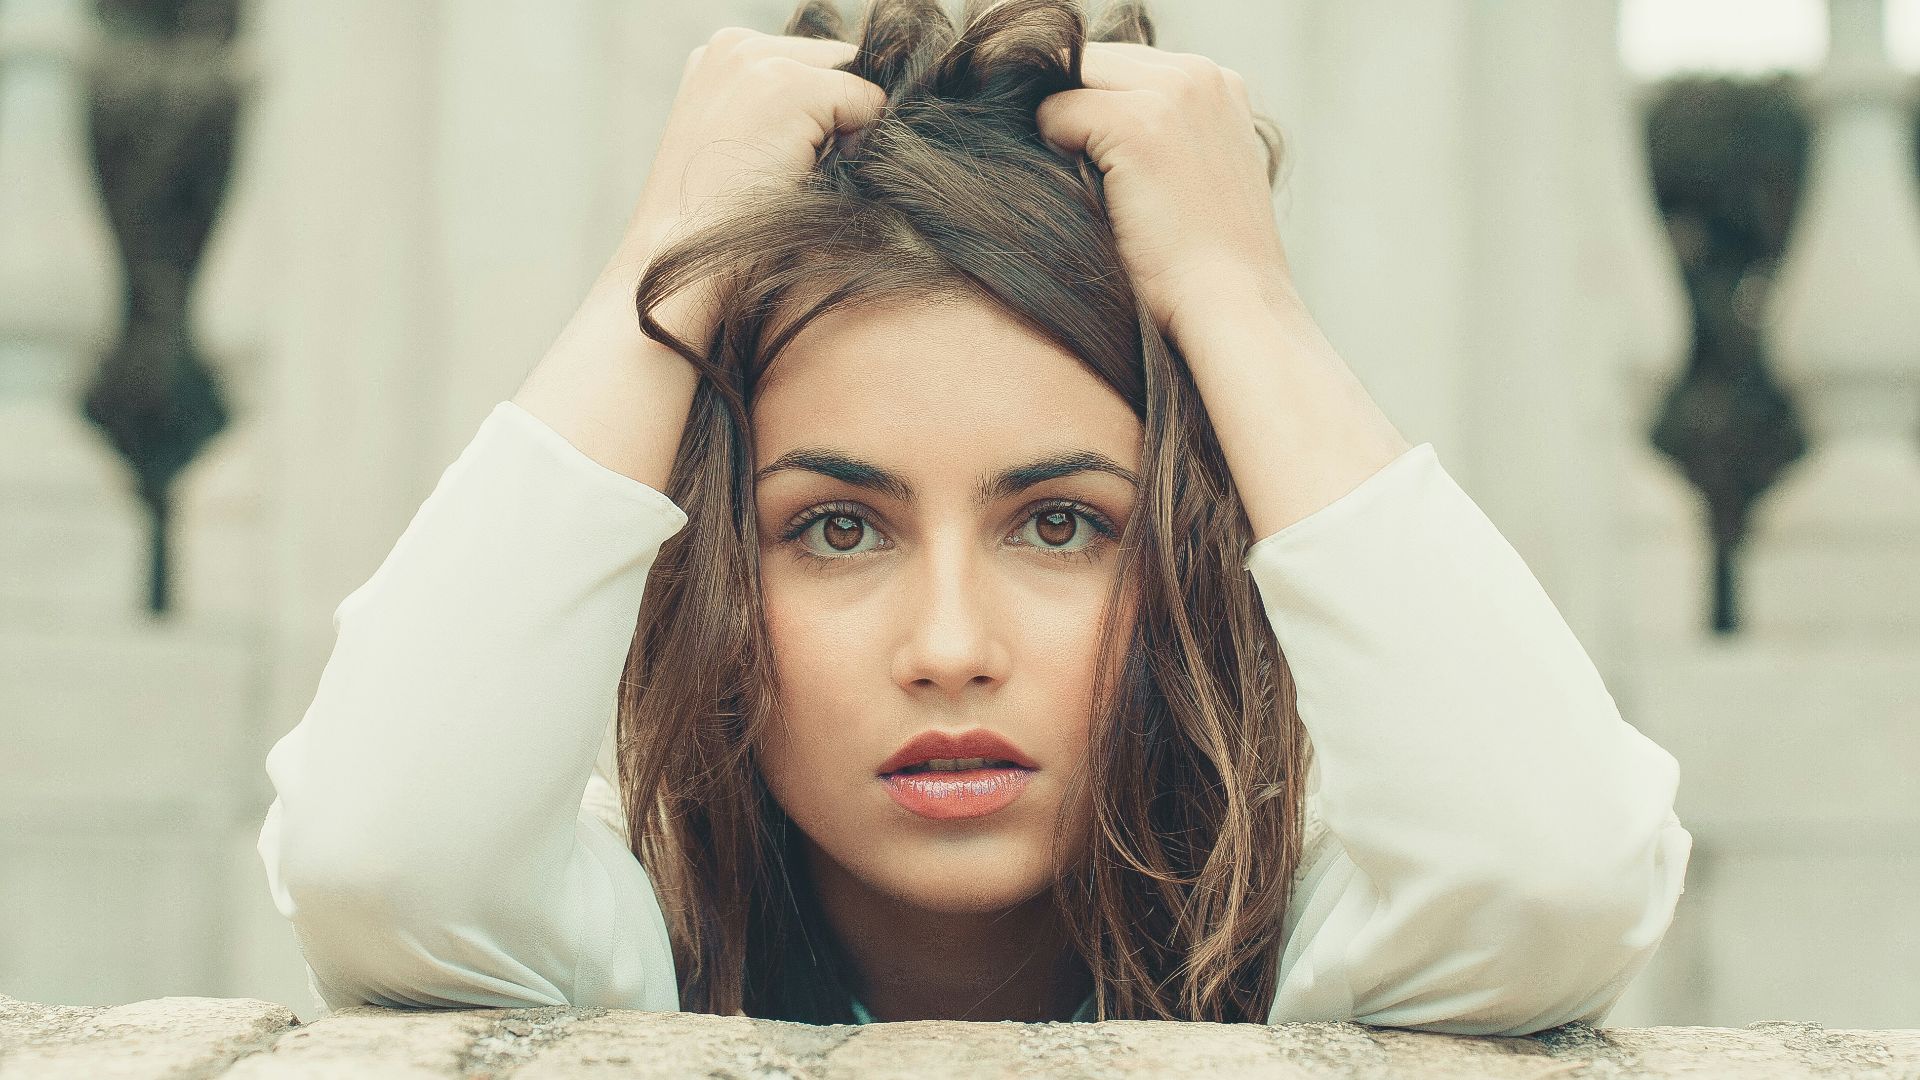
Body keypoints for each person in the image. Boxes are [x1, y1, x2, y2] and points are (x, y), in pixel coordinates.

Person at [257, 0, 1691, 1033]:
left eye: (1061, 525)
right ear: (713, 573)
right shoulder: (621, 959)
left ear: (1196, 550)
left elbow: (1553, 873)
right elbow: (377, 856)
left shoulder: (1312, 966)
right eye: (836, 529)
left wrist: (1241, 306)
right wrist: (662, 264)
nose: (950, 649)